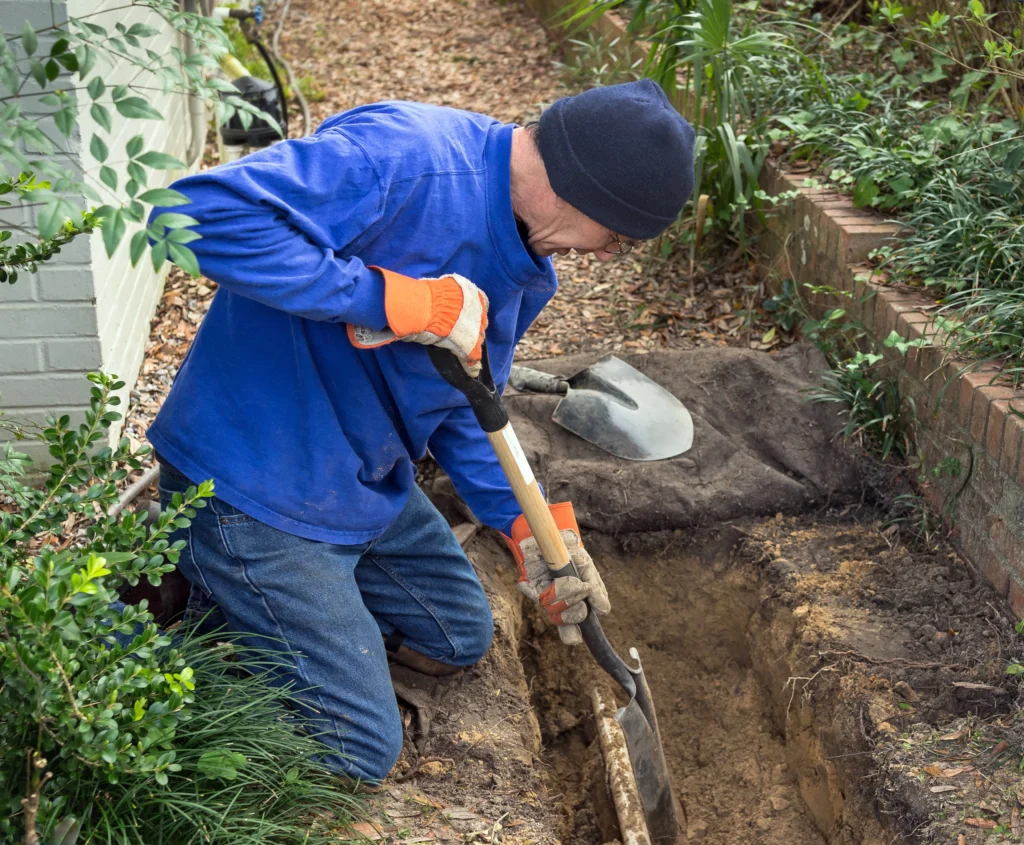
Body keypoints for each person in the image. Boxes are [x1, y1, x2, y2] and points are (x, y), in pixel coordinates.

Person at [147, 78, 695, 783]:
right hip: (253, 480)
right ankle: (195, 604)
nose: (610, 255)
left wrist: (533, 531)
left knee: (458, 635)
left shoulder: (530, 269)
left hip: (357, 480)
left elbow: (467, 403)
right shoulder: (405, 160)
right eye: (617, 236)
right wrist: (387, 297)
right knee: (356, 748)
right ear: (582, 189)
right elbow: (187, 216)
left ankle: (284, 614)